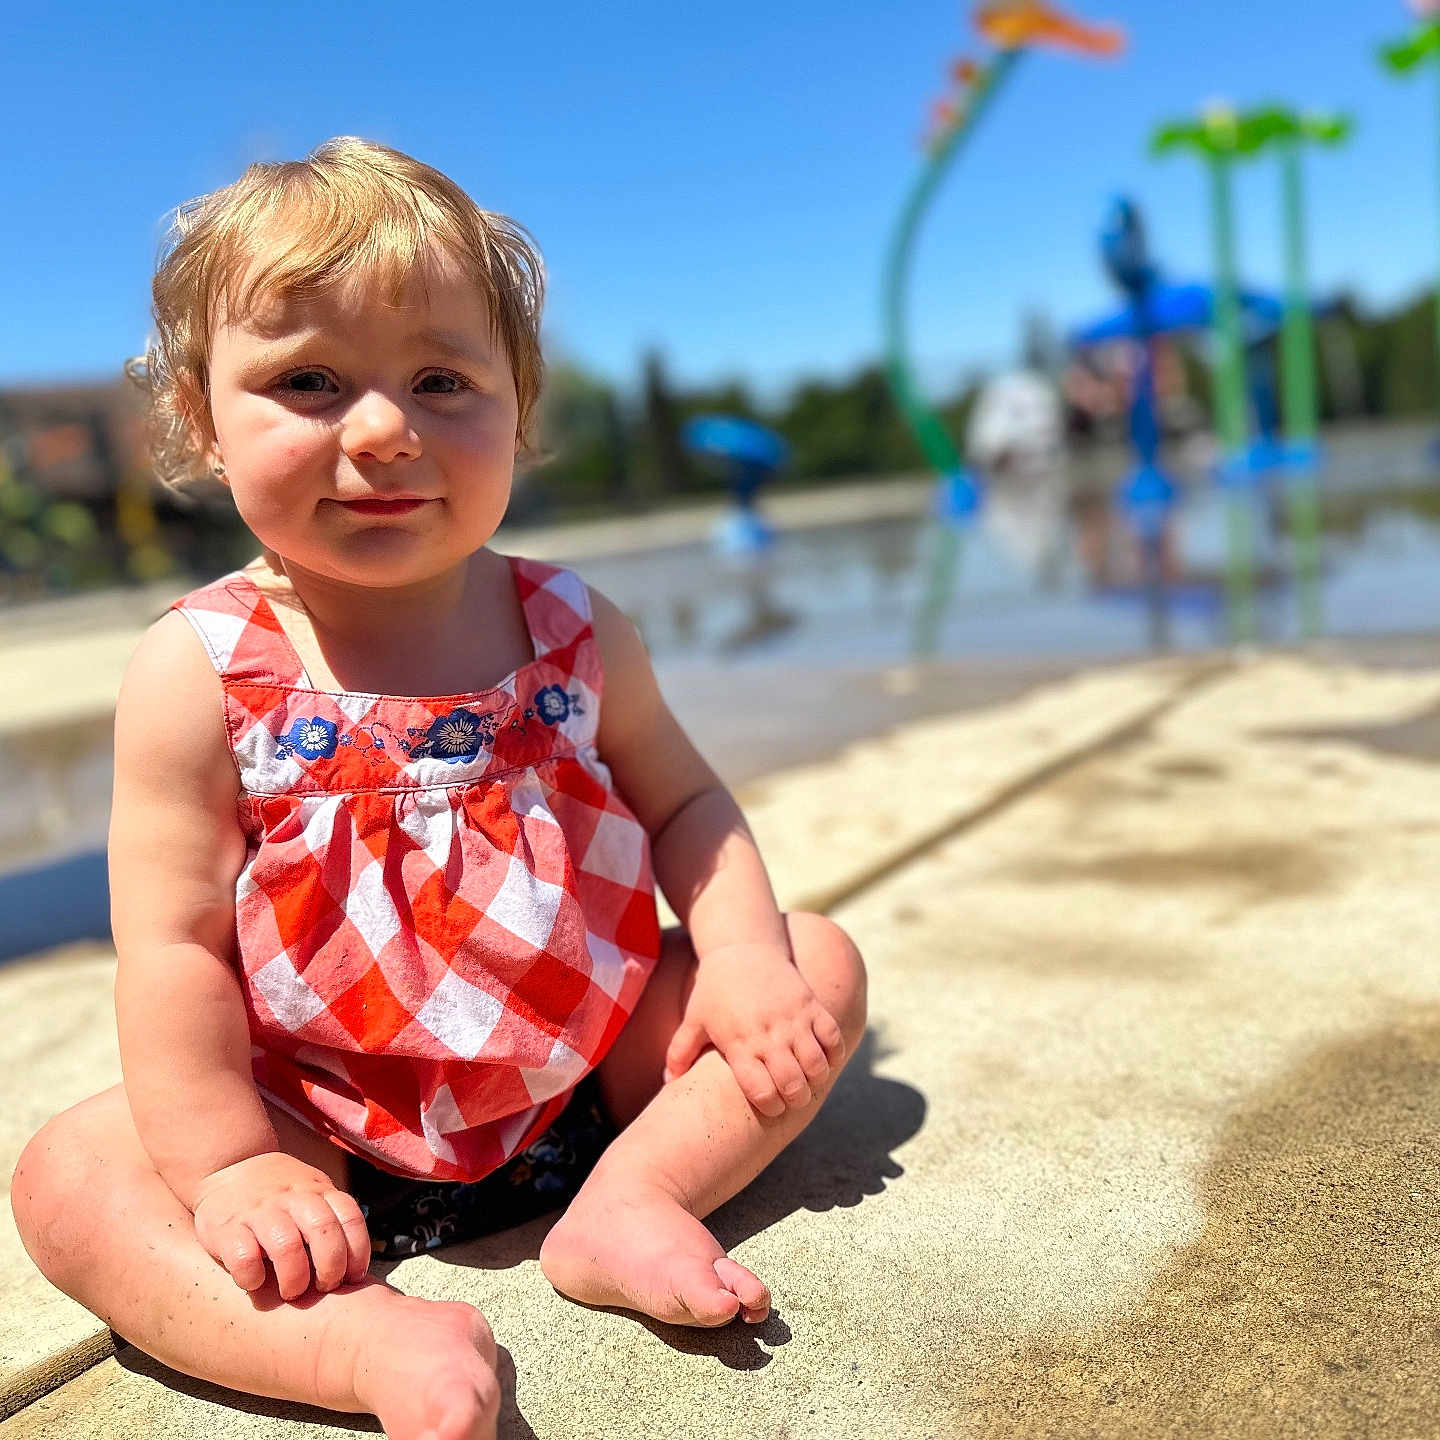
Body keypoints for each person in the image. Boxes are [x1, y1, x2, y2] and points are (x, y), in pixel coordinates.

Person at [10, 137, 867, 1440]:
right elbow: (174, 947)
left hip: (595, 1081)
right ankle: (353, 1346)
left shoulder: (578, 629)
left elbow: (690, 808)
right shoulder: (201, 672)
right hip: (322, 1135)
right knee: (71, 1180)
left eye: (441, 379)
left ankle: (632, 1203)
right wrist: (232, 1164)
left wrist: (742, 960)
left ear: (518, 403)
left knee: (818, 962)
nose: (383, 428)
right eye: (307, 380)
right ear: (198, 416)